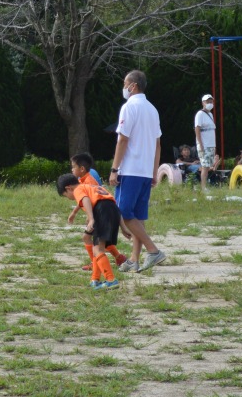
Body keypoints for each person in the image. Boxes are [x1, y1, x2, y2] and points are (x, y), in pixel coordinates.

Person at [109, 70, 166, 273]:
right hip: (145, 171)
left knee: (124, 212)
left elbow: (123, 140)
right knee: (138, 216)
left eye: (125, 83)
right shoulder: (152, 109)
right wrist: (154, 171)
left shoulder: (129, 107)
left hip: (130, 169)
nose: (124, 87)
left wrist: (114, 169)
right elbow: (158, 144)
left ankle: (153, 250)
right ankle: (134, 258)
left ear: (133, 86)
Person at [58, 173, 120, 290]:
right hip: (112, 211)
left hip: (101, 212)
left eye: (66, 195)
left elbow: (85, 199)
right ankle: (95, 279)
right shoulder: (91, 187)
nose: (69, 198)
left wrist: (91, 218)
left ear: (68, 188)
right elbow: (112, 203)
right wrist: (124, 227)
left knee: (98, 249)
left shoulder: (78, 189)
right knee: (90, 241)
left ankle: (111, 279)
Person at [70, 153, 128, 269]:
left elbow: (89, 199)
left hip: (101, 213)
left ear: (82, 169)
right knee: (100, 238)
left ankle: (97, 264)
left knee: (97, 240)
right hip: (104, 211)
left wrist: (90, 217)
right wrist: (75, 212)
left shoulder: (89, 181)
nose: (72, 169)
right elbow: (83, 199)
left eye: (73, 167)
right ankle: (118, 257)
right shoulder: (82, 180)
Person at [194, 94, 217, 190]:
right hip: (204, 145)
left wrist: (214, 145)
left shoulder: (210, 114)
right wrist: (201, 144)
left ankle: (205, 186)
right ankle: (203, 187)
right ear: (203, 103)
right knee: (204, 166)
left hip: (211, 144)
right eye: (208, 102)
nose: (210, 103)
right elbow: (197, 129)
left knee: (208, 167)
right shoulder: (200, 114)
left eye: (211, 101)